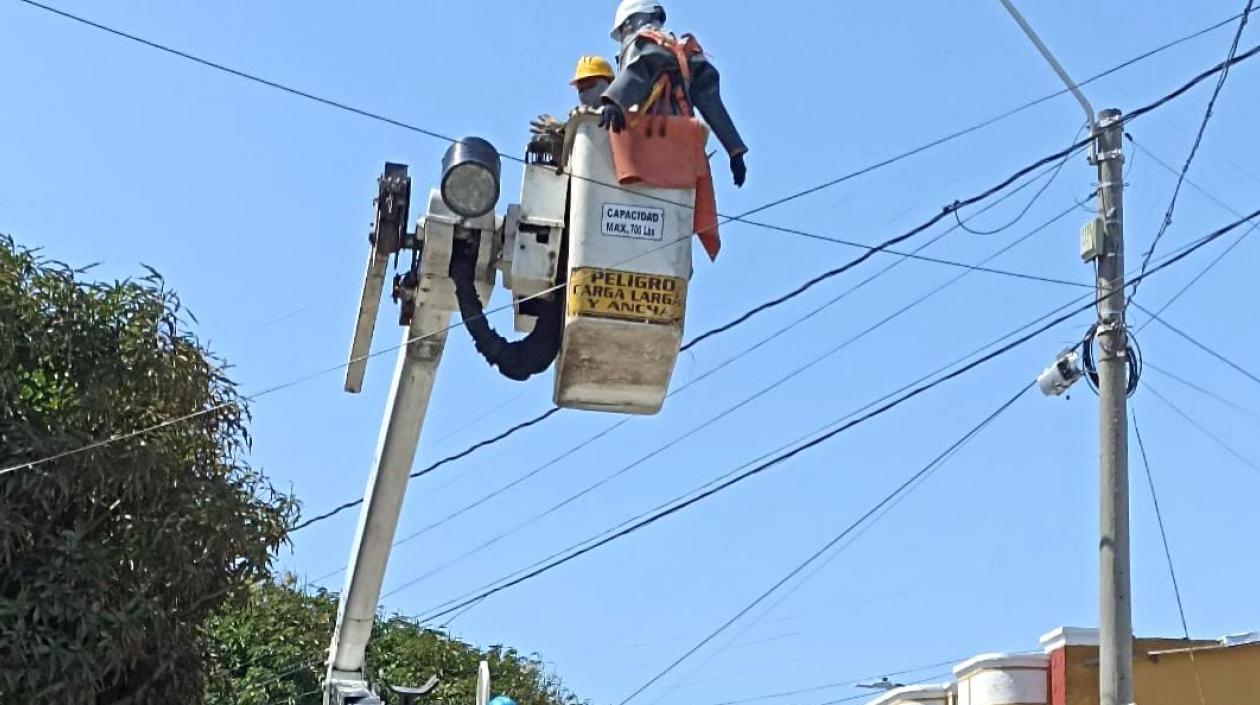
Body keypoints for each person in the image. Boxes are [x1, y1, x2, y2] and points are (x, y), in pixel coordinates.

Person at [598, 0, 747, 188]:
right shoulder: (684, 53)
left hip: (653, 137)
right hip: (682, 141)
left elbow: (638, 71)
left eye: (623, 30)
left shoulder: (648, 45)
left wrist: (614, 101)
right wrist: (734, 150)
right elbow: (711, 102)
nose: (624, 37)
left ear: (632, 21)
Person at [529, 55, 616, 159]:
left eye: (590, 86)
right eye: (581, 89)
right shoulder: (579, 117)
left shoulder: (624, 110)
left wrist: (561, 129)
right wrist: (557, 139)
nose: (586, 93)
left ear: (610, 83)